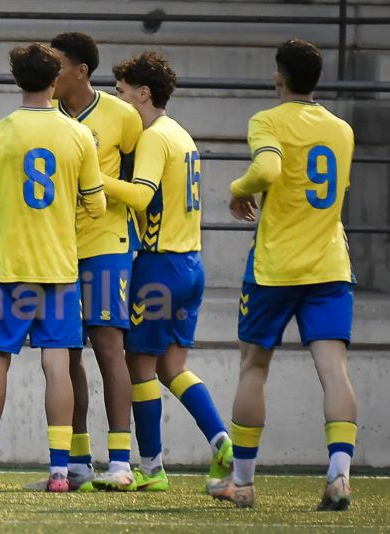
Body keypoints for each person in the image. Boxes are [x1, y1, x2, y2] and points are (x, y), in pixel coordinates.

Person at [0, 43, 106, 493]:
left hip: (11, 269)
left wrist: (11, 209)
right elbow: (97, 204)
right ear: (54, 82)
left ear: (17, 80)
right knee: (58, 365)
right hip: (61, 269)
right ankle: (62, 473)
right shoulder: (79, 135)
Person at [207, 39, 357, 511]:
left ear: (279, 75)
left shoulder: (268, 121)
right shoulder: (342, 130)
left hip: (275, 268)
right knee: (334, 371)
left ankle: (244, 484)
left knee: (254, 366)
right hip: (331, 264)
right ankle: (339, 474)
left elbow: (268, 168)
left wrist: (237, 188)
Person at [112, 51, 232, 491]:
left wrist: (91, 178)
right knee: (173, 366)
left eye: (122, 92)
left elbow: (142, 196)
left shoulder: (154, 137)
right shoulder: (182, 135)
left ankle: (152, 467)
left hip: (159, 265)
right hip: (192, 266)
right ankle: (221, 439)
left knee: (139, 363)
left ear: (143, 94)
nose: (118, 100)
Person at [49, 31, 143, 491]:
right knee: (66, 355)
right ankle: (79, 461)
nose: (51, 74)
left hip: (106, 242)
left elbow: (143, 184)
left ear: (81, 71)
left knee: (109, 348)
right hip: (58, 248)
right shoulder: (45, 116)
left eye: (58, 65)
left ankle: (122, 461)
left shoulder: (123, 117)